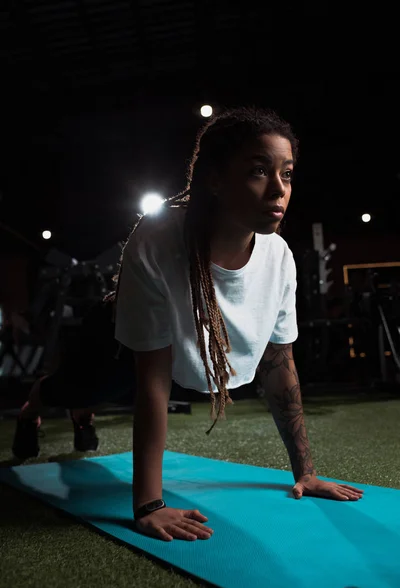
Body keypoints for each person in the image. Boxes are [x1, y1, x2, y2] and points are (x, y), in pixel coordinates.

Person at [114, 107, 364, 543]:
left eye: (286, 174)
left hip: (186, 363)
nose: (278, 190)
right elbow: (152, 380)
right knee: (72, 388)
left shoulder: (278, 257)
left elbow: (279, 363)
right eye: (257, 172)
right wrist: (149, 505)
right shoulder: (158, 239)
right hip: (116, 355)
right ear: (214, 180)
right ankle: (41, 403)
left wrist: (306, 473)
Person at [11, 295, 134, 459]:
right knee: (80, 388)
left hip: (140, 353)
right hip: (108, 334)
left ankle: (82, 413)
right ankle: (29, 417)